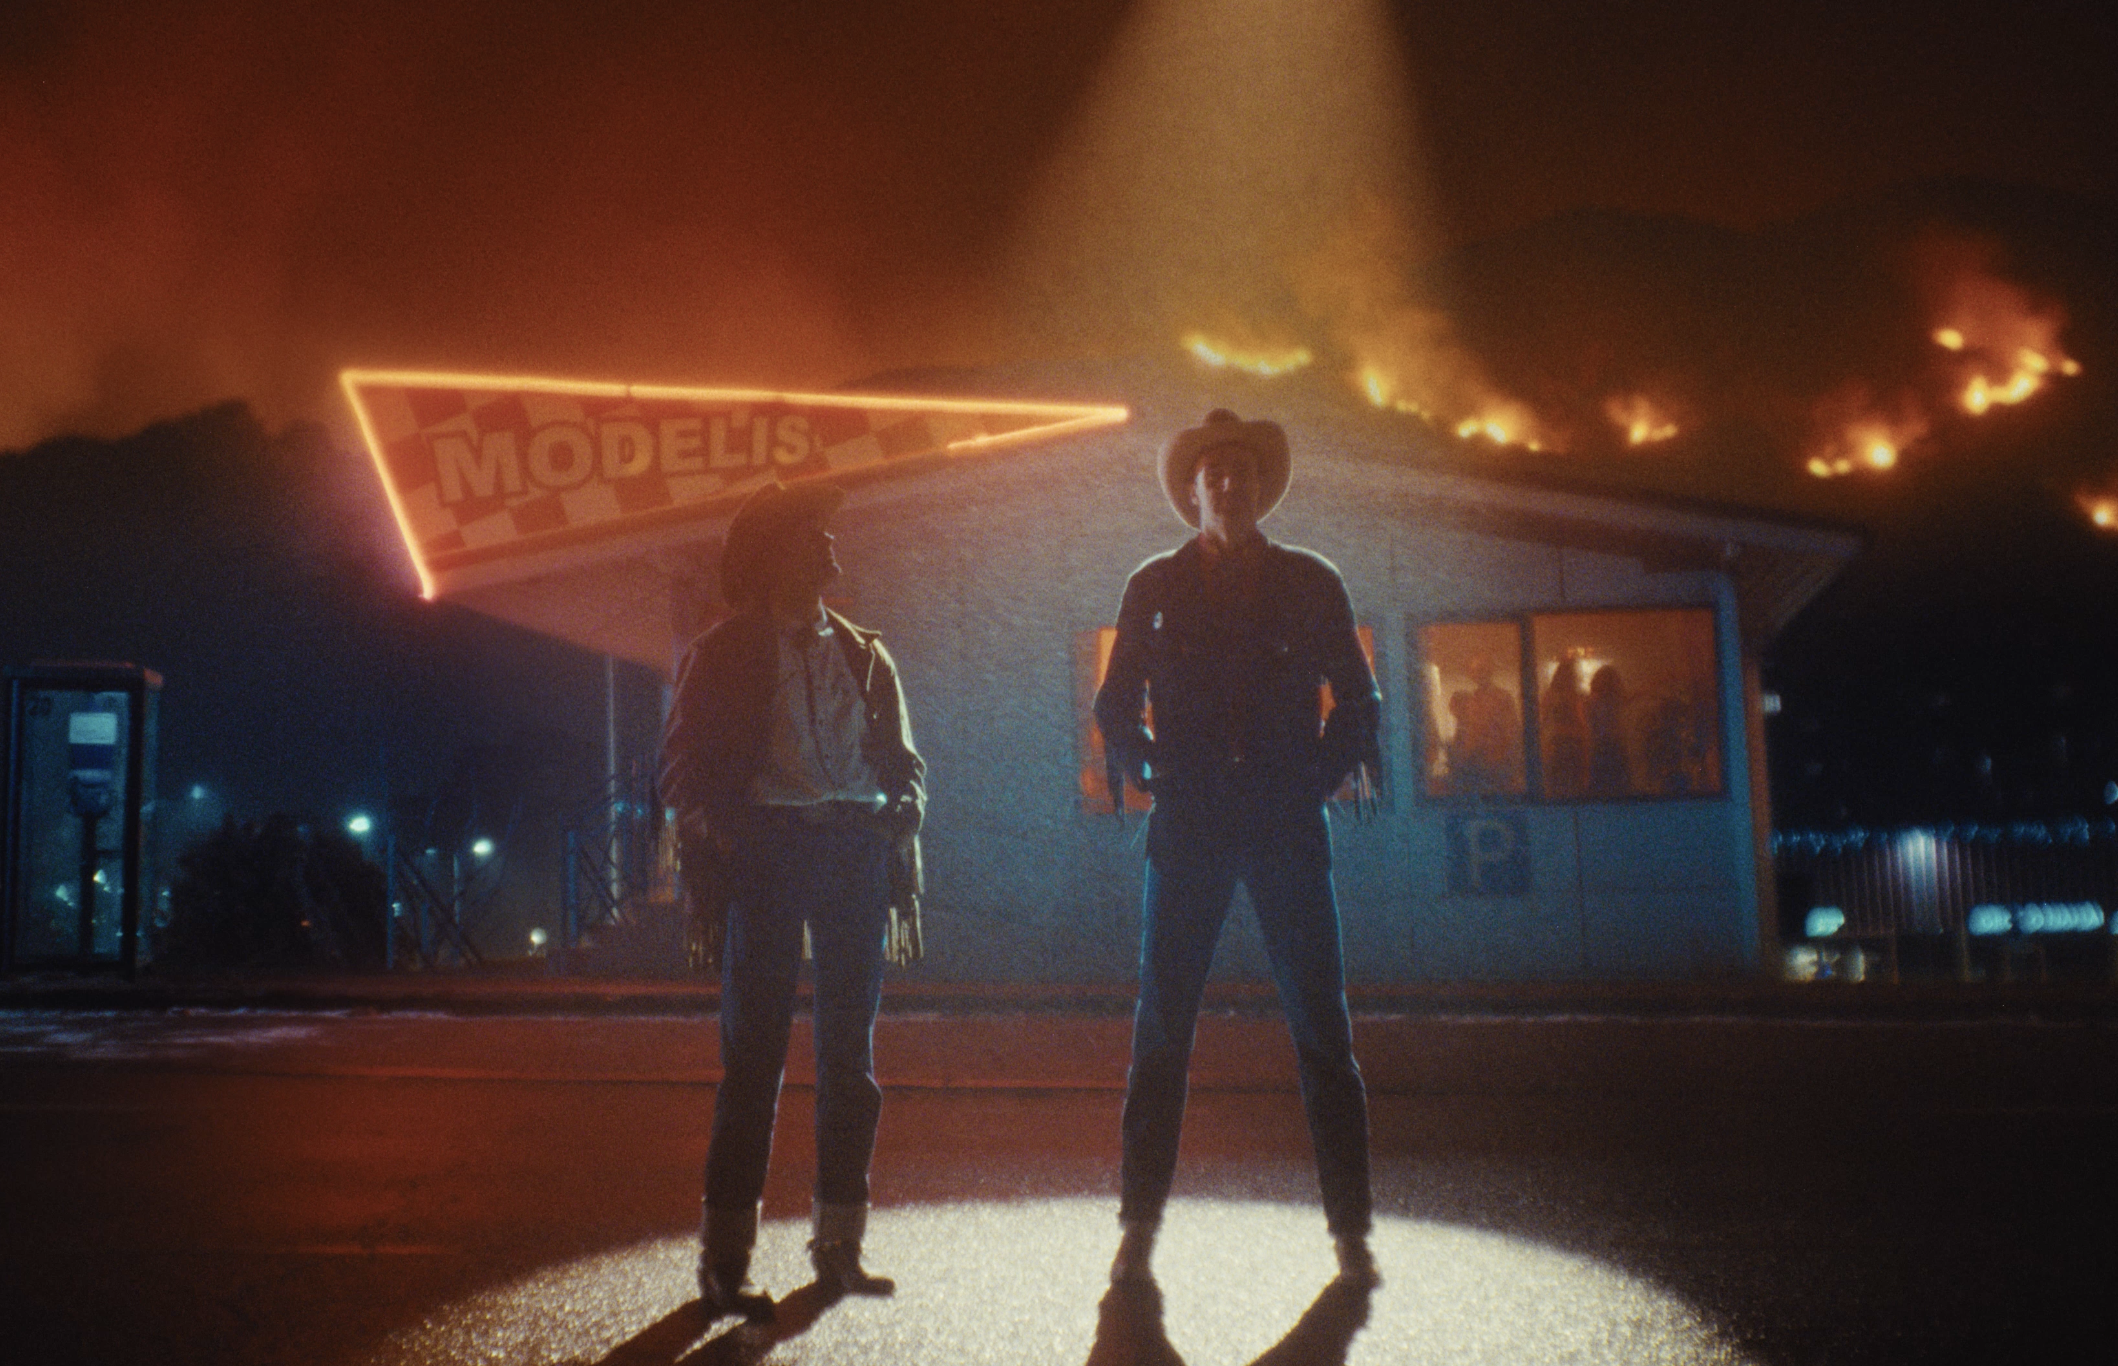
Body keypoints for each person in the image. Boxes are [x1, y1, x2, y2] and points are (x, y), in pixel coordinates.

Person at [1094, 408, 1382, 1289]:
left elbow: (1360, 700)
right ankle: (1138, 1226)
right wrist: (1151, 770)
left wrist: (1311, 781)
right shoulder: (1152, 584)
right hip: (1190, 827)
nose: (1229, 484)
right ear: (1192, 491)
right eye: (1214, 473)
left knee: (1322, 1028)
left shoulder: (1312, 581)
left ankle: (1351, 1232)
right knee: (1162, 1030)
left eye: (1242, 473)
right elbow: (1114, 703)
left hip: (1283, 826)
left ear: (1261, 488)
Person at [660, 479, 925, 1322]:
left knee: (851, 1061)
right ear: (777, 554)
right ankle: (725, 1261)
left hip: (853, 853)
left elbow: (904, 762)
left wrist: (902, 810)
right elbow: (682, 771)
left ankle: (839, 1245)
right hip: (769, 856)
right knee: (754, 1062)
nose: (831, 544)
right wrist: (733, 843)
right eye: (813, 533)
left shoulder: (865, 652)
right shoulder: (725, 651)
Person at [1446, 652, 1522, 795]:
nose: (1477, 674)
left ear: (1490, 671)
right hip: (1475, 767)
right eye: (1474, 670)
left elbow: (1512, 733)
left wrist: (1506, 761)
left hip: (1497, 768)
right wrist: (1462, 758)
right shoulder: (1471, 700)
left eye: (1481, 669)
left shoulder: (1503, 698)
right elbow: (1468, 733)